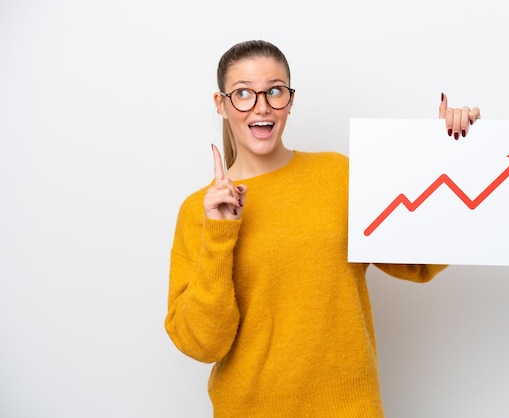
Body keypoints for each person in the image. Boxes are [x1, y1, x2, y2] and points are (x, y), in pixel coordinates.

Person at [165, 39, 480, 417]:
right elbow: (203, 344)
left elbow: (418, 263)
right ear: (221, 104)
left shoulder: (339, 177)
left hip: (349, 408)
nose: (261, 106)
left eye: (275, 91)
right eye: (244, 93)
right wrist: (219, 237)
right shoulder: (200, 212)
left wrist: (454, 153)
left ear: (290, 100)